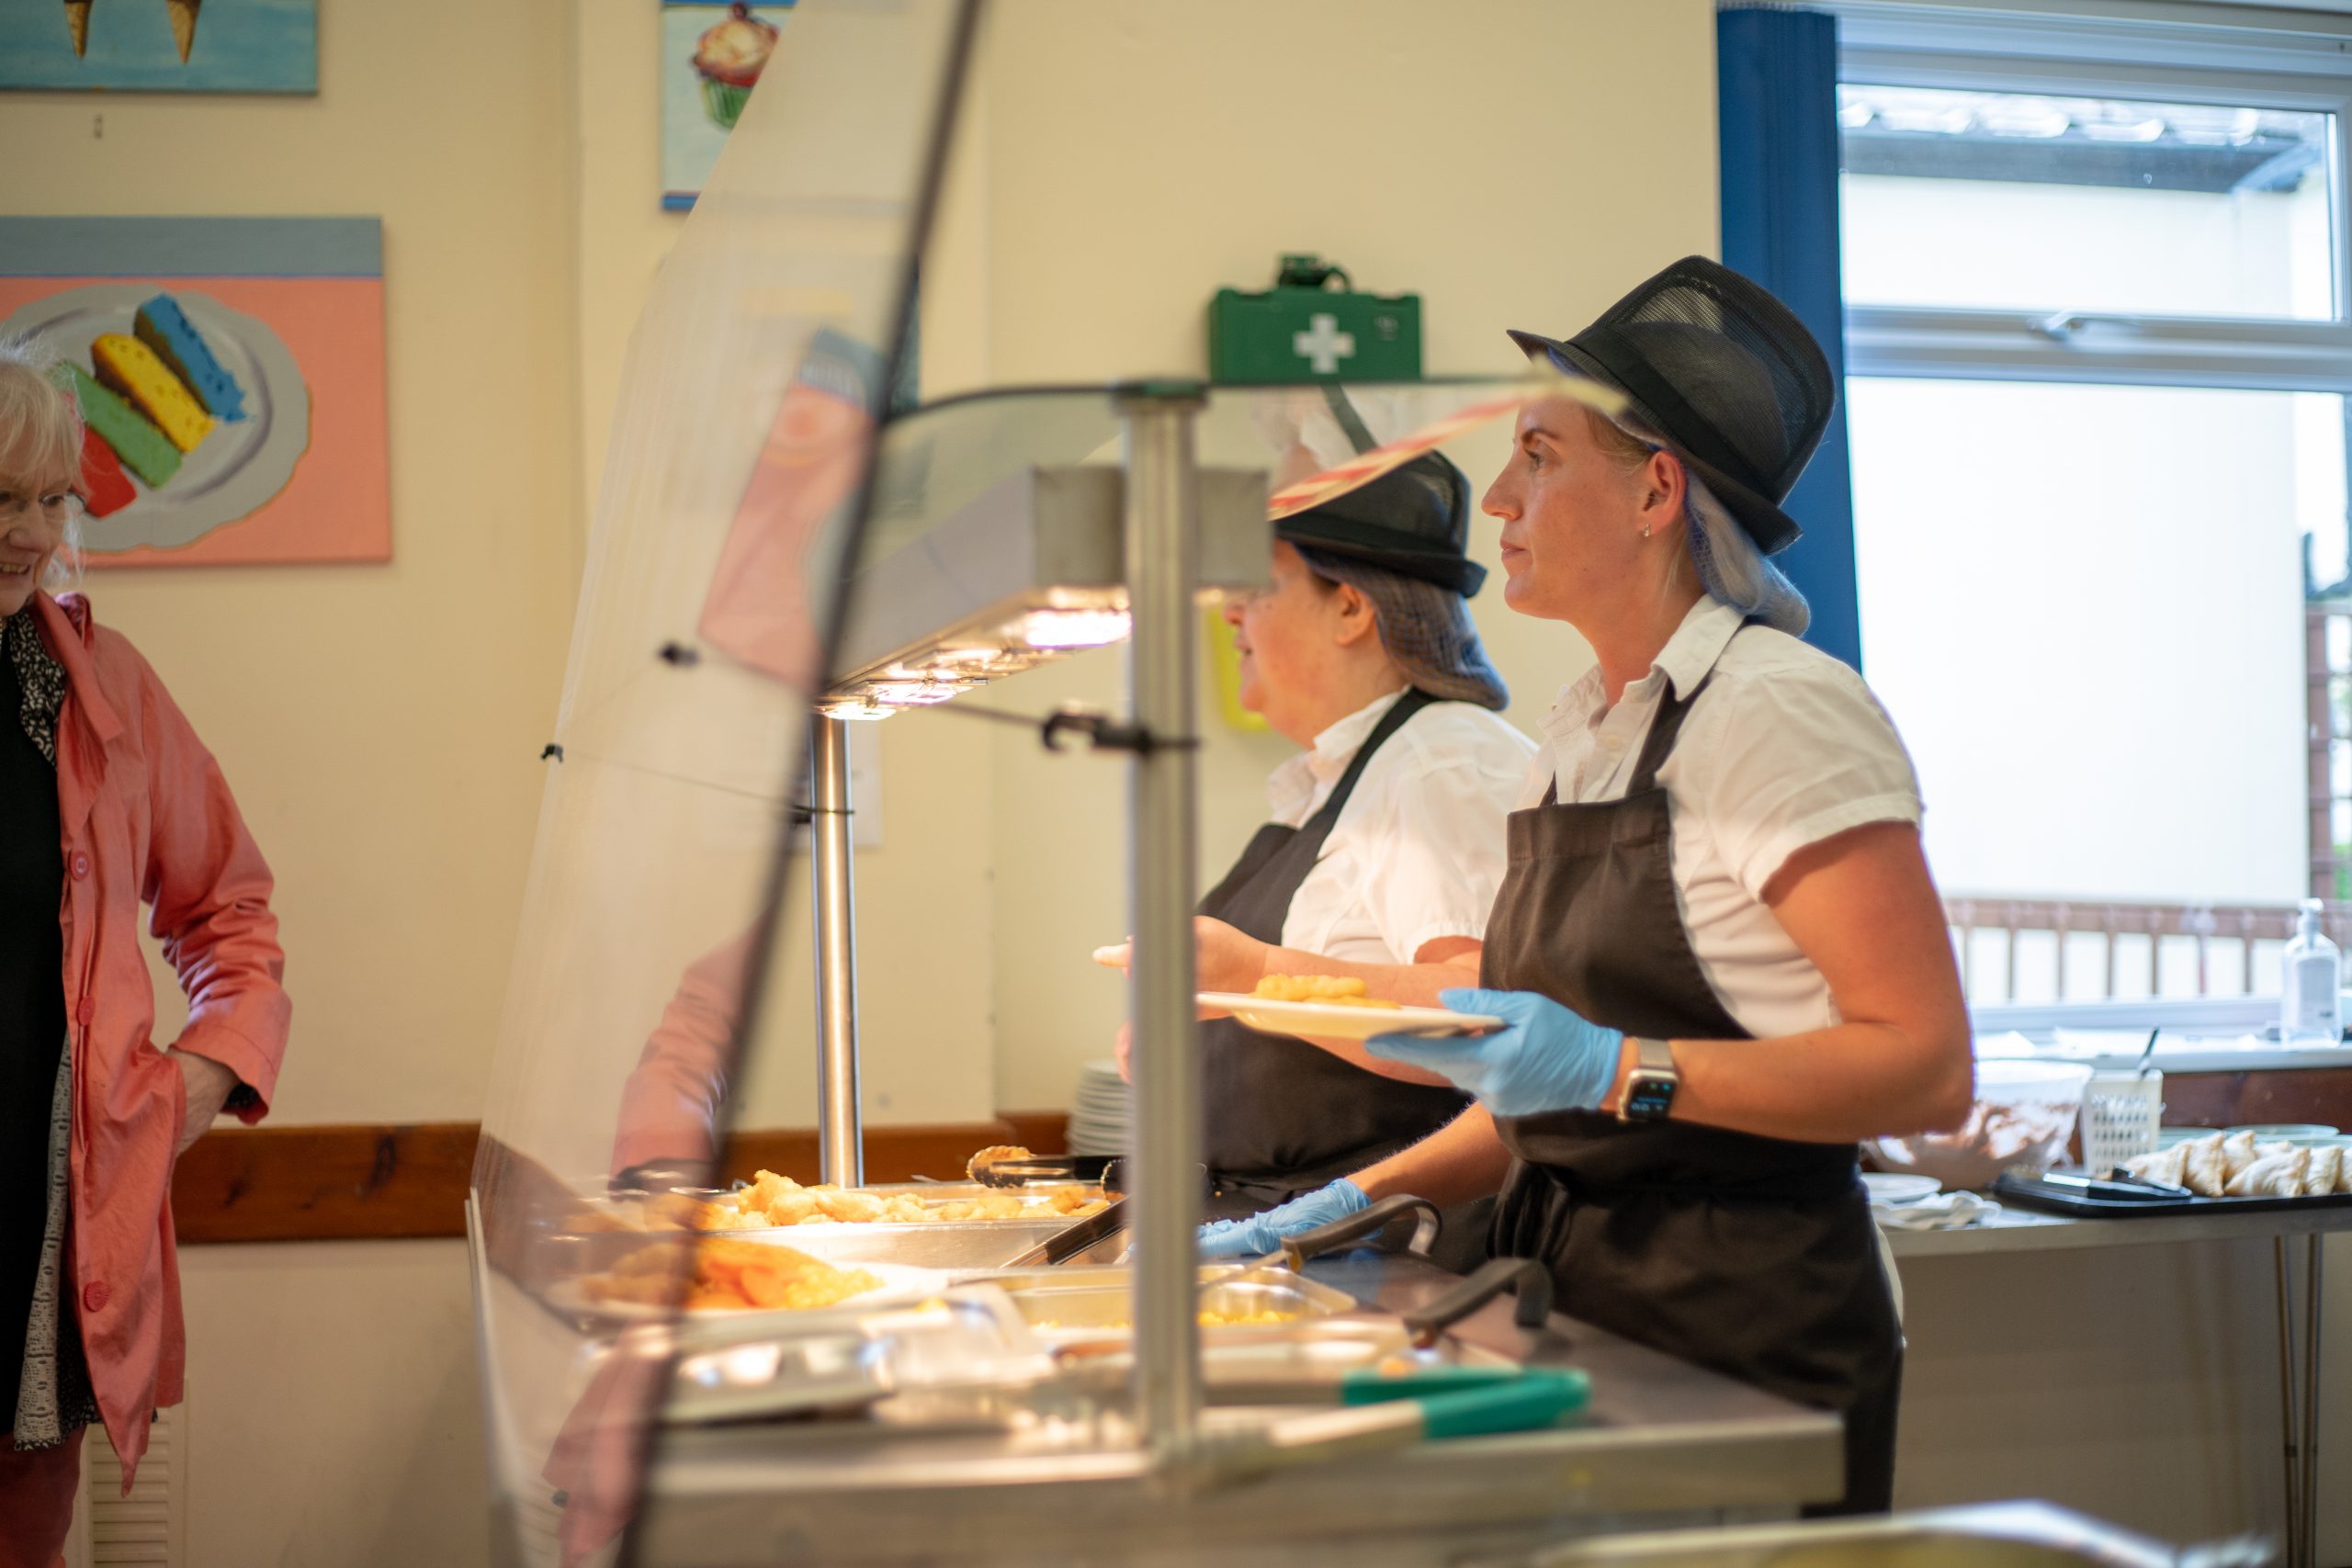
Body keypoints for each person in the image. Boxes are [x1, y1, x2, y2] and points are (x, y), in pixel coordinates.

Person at [1189, 258, 1971, 1514]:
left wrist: (1621, 1068)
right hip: (1582, 1310)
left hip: (1745, 1339)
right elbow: (1527, 1096)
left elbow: (1926, 1066)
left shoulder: (1778, 709)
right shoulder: (1583, 735)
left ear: (1657, 487)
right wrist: (1333, 1207)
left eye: (1540, 456)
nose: (1498, 496)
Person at [0, 340, 290, 1566]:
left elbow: (231, 908)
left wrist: (194, 1083)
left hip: (40, 1256)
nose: (28, 530)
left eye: (48, 495)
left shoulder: (99, 688)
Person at [1105, 443, 1534, 1220]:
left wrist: (1254, 977)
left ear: (1350, 607)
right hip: (1266, 1223)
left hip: (1386, 1238)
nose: (1230, 612)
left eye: (1256, 585)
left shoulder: (1442, 763)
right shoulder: (1328, 782)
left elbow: (1486, 1011)